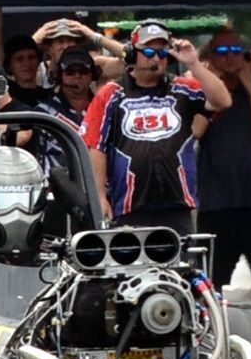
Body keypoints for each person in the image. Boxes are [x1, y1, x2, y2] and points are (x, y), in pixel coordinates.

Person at [81, 18, 230, 236]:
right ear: (132, 54)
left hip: (176, 205)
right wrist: (100, 197)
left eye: (162, 53)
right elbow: (96, 146)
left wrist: (193, 63)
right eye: (149, 52)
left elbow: (222, 101)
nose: (156, 58)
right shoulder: (111, 94)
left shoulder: (182, 89)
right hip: (129, 206)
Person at [195, 29, 251, 298]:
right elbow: (196, 131)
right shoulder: (201, 93)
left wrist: (249, 81)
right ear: (211, 57)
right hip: (216, 202)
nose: (229, 58)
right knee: (210, 282)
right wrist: (213, 84)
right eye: (221, 52)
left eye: (235, 52)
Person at [3, 35, 53, 107]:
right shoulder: (5, 97)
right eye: (20, 59)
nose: (27, 63)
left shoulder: (49, 97)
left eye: (31, 57)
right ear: (9, 65)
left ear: (38, 61)